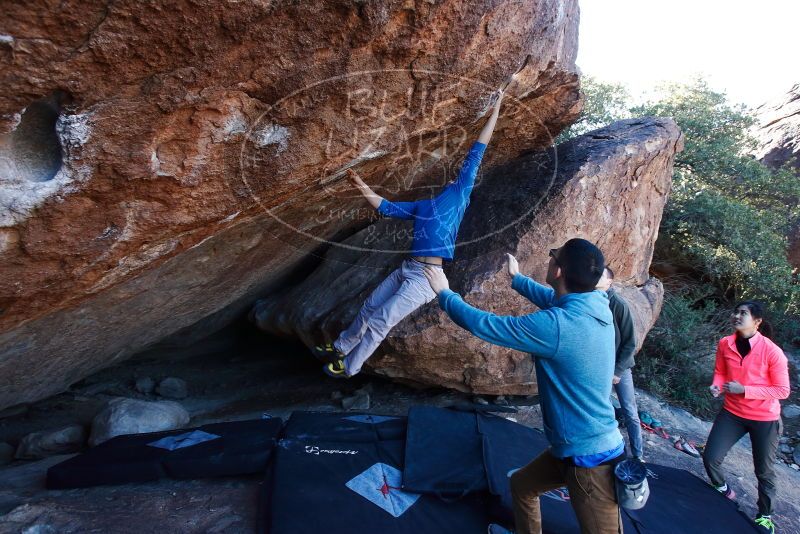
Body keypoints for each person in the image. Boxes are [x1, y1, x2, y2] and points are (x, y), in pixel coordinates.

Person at [313, 77, 516, 378]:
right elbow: (384, 207)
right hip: (408, 268)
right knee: (370, 306)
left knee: (382, 319)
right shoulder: (423, 206)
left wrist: (497, 106)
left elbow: (478, 149)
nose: (455, 178)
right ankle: (341, 347)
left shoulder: (460, 193)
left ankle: (349, 367)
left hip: (427, 278)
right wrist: (360, 184)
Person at [423, 239, 625, 534]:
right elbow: (554, 299)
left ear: (557, 271)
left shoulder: (557, 325)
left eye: (552, 256)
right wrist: (518, 280)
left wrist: (444, 293)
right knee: (522, 486)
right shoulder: (597, 306)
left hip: (590, 461)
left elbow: (487, 325)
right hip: (570, 447)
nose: (549, 259)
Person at [703, 301, 790, 534]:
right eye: (736, 312)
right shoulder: (725, 343)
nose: (737, 316)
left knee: (763, 471)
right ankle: (723, 490)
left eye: (743, 313)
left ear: (757, 322)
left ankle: (765, 516)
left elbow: (782, 390)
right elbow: (721, 371)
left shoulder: (772, 352)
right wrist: (717, 385)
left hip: (764, 418)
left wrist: (745, 390)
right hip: (732, 413)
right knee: (710, 457)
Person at [596, 267, 643, 463]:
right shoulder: (591, 300)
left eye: (602, 276)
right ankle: (608, 451)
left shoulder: (618, 305)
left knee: (630, 411)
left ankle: (638, 455)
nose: (597, 278)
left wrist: (618, 371)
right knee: (602, 410)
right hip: (600, 367)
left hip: (620, 367)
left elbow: (630, 342)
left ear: (609, 283)